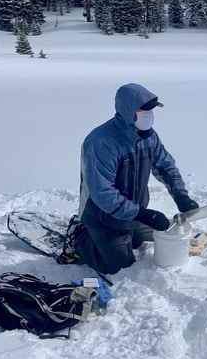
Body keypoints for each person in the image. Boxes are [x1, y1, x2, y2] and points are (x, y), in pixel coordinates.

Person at [66, 83, 199, 275]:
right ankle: (80, 236)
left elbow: (165, 165)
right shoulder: (101, 142)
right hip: (103, 216)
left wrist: (180, 195)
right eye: (144, 110)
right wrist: (142, 214)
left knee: (163, 232)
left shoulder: (148, 137)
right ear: (129, 112)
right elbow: (103, 193)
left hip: (133, 213)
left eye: (151, 110)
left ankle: (128, 234)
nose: (149, 115)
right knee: (118, 268)